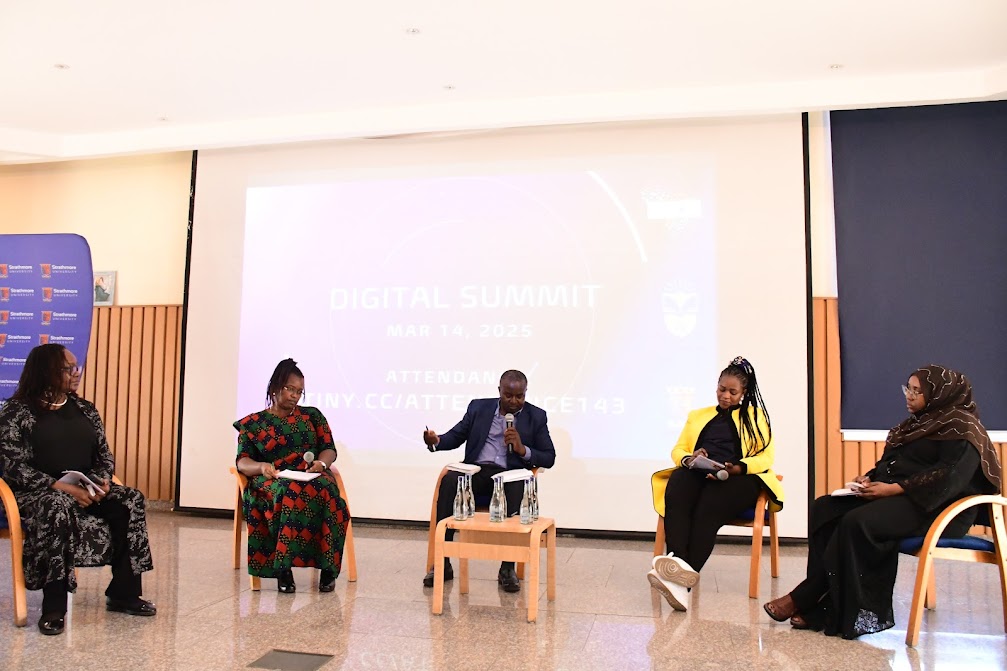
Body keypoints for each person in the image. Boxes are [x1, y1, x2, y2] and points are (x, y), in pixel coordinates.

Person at [763, 365, 1001, 638]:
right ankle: (823, 605)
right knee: (825, 508)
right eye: (907, 388)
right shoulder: (917, 423)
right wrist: (868, 479)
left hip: (939, 508)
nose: (909, 396)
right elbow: (893, 465)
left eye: (917, 391)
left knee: (858, 522)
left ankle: (811, 600)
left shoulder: (963, 427)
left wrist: (894, 489)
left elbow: (948, 478)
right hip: (904, 498)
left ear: (940, 394)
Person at [0, 344, 155, 636]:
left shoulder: (85, 409)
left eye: (76, 367)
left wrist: (100, 481)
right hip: (38, 493)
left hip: (86, 488)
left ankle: (124, 592)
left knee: (131, 499)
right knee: (56, 505)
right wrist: (60, 486)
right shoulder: (16, 412)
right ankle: (55, 606)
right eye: (68, 368)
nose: (76, 373)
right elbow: (11, 465)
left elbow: (104, 455)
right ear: (46, 371)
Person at [649, 356, 783, 611]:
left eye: (733, 392)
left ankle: (678, 577)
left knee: (709, 501)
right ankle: (679, 571)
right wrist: (690, 458)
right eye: (722, 389)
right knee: (677, 482)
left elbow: (766, 457)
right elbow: (678, 449)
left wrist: (739, 467)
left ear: (744, 393)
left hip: (741, 478)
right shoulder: (698, 416)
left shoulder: (756, 418)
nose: (726, 396)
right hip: (701, 472)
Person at [422, 369, 556, 592]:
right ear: (499, 392)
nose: (514, 401)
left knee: (516, 486)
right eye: (508, 395)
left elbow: (549, 457)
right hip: (476, 471)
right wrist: (436, 441)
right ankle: (442, 562)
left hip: (508, 474)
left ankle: (507, 567)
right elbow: (455, 436)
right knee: (450, 481)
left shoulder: (536, 416)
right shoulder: (479, 408)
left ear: (525, 393)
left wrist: (523, 450)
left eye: (520, 396)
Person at [234, 358, 350, 594]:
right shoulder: (253, 424)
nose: (295, 396)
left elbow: (329, 448)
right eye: (290, 389)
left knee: (329, 494)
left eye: (299, 391)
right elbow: (242, 461)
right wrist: (261, 467)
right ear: (275, 387)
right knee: (287, 494)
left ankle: (328, 568)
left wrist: (322, 463)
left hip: (310, 475)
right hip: (273, 478)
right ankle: (282, 569)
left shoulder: (312, 416)